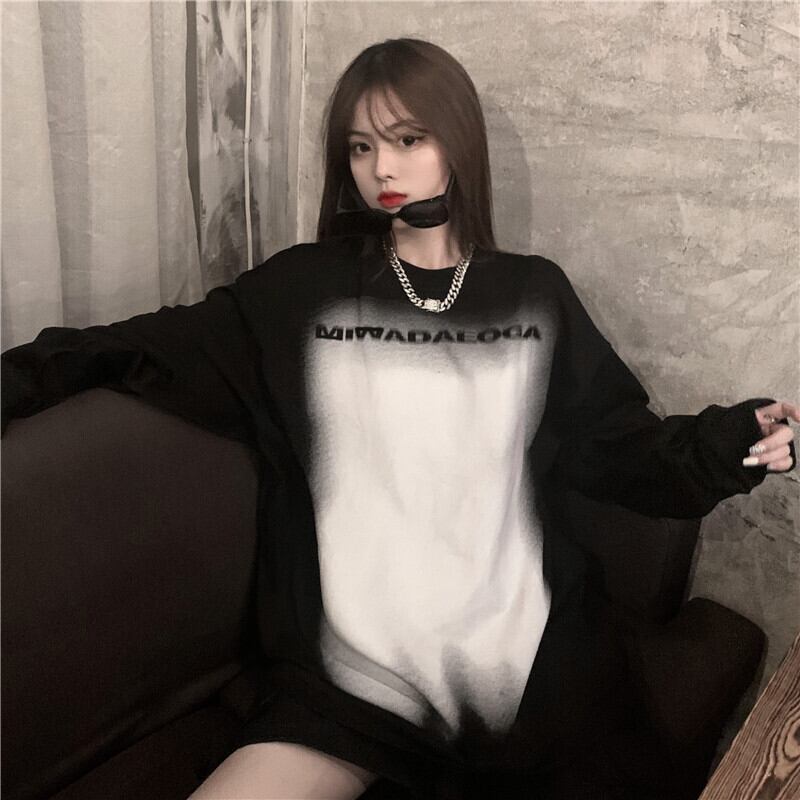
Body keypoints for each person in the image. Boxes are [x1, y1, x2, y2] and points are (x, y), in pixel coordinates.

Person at [2, 38, 797, 800]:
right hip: (353, 671)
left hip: (523, 657)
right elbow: (136, 349)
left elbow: (618, 448)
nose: (381, 168)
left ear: (457, 142)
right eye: (360, 147)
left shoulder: (533, 293)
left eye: (408, 139)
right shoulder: (300, 293)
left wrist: (734, 442)